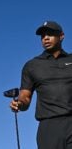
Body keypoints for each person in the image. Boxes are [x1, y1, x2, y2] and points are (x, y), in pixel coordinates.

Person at [10, 21, 72, 149]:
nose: (45, 38)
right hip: (49, 127)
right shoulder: (32, 66)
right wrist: (19, 104)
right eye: (42, 36)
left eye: (50, 34)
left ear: (61, 36)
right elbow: (25, 98)